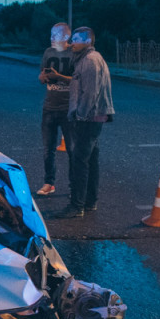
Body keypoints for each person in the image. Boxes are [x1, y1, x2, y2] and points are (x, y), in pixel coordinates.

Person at [56, 26, 115, 219]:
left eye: (76, 40)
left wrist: (79, 115)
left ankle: (77, 206)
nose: (72, 43)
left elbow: (90, 93)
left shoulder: (89, 61)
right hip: (93, 117)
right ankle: (90, 202)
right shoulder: (90, 58)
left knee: (80, 161)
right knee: (91, 159)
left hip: (88, 118)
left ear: (88, 42)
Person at [36, 23, 74, 197]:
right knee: (48, 149)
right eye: (51, 34)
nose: (51, 38)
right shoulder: (48, 53)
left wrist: (58, 77)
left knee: (73, 149)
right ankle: (49, 183)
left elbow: (78, 80)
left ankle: (75, 185)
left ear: (66, 37)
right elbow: (41, 77)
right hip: (49, 107)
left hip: (68, 108)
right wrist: (43, 77)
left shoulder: (74, 53)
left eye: (55, 35)